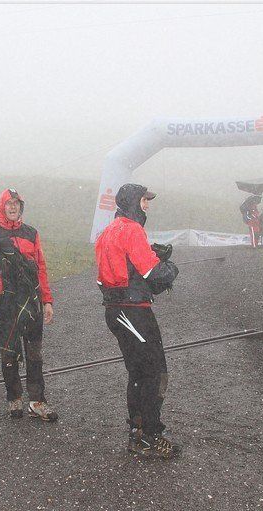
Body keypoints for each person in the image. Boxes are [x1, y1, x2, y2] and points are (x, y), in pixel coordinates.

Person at [95, 183, 181, 459]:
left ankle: (138, 433)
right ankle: (150, 435)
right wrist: (170, 267)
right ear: (133, 202)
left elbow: (107, 278)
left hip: (115, 310)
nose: (147, 205)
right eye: (144, 200)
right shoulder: (132, 229)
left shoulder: (107, 231)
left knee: (138, 373)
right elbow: (153, 273)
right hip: (134, 311)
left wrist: (147, 265)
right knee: (154, 373)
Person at [0, 188, 57, 421]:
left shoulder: (31, 233)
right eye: (8, 203)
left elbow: (41, 268)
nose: (12, 207)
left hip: (32, 301)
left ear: (21, 207)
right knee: (9, 353)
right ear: (2, 207)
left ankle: (37, 402)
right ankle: (14, 398)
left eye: (16, 203)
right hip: (6, 302)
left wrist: (47, 300)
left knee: (35, 353)